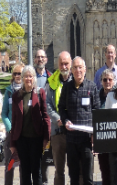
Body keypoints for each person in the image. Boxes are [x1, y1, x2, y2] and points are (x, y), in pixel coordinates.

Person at [59, 57, 101, 185]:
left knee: (88, 177)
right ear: (71, 70)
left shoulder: (92, 87)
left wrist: (95, 134)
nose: (78, 70)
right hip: (71, 139)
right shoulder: (66, 87)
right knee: (74, 177)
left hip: (87, 139)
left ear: (85, 69)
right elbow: (61, 107)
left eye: (80, 67)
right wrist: (65, 120)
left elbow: (97, 110)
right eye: (75, 67)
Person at [10, 65, 51, 185]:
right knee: (25, 172)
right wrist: (13, 143)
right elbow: (14, 120)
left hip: (36, 139)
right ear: (22, 78)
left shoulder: (40, 93)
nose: (29, 79)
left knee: (36, 171)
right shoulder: (16, 95)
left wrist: (46, 138)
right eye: (26, 76)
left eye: (31, 76)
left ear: (34, 78)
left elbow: (45, 116)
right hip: (22, 140)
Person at [45, 51, 74, 185]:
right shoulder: (52, 82)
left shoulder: (76, 80)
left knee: (75, 169)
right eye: (61, 64)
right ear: (58, 64)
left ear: (71, 64)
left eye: (66, 63)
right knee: (59, 170)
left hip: (74, 132)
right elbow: (48, 105)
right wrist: (58, 119)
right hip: (58, 132)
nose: (64, 67)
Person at [2, 64, 23, 185]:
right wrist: (9, 128)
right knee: (10, 165)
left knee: (23, 166)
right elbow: (4, 113)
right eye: (15, 73)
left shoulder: (26, 90)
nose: (17, 76)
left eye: (19, 73)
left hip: (23, 133)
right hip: (11, 134)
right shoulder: (9, 91)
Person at [34, 49, 53, 184]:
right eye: (38, 57)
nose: (40, 59)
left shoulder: (51, 78)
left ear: (46, 59)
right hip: (33, 124)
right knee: (34, 157)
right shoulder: (31, 77)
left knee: (46, 157)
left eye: (42, 57)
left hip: (47, 124)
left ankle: (45, 182)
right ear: (35, 59)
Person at [97, 69, 115, 185]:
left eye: (110, 79)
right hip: (102, 140)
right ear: (101, 81)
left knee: (116, 171)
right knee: (104, 170)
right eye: (105, 79)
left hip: (115, 139)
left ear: (114, 81)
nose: (107, 81)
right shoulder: (96, 96)